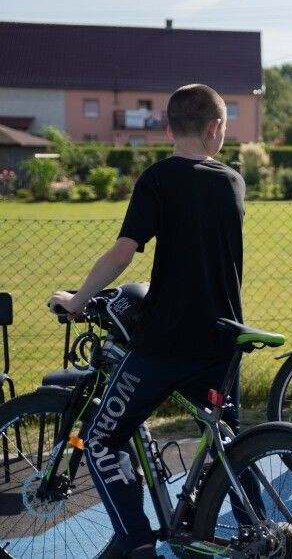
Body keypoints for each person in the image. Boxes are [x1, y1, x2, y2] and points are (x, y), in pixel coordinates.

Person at [48, 84, 248, 557]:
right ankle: (255, 532)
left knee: (101, 438)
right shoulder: (233, 181)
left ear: (168, 129)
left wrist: (78, 299)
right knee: (231, 446)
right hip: (225, 338)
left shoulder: (157, 179)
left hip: (167, 341)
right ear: (215, 128)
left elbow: (124, 253)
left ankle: (137, 543)